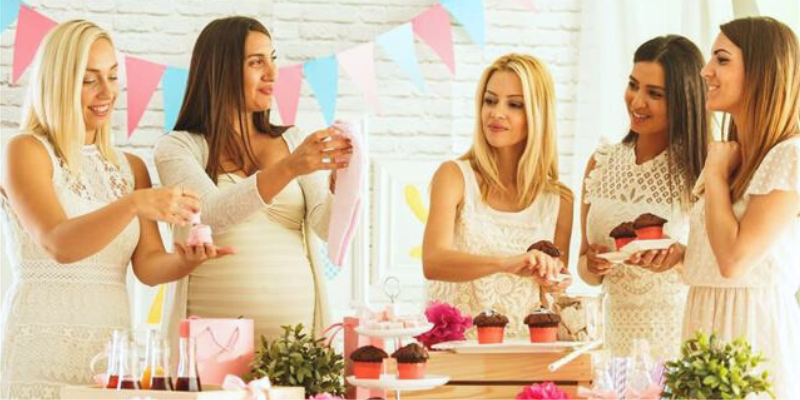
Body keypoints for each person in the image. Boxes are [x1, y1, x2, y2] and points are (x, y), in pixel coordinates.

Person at [0, 20, 230, 399]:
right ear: (58, 82)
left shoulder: (130, 167)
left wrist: (186, 260)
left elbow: (149, 267)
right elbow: (59, 244)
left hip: (110, 356)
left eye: (112, 76)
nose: (107, 92)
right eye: (89, 79)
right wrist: (135, 203)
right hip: (39, 350)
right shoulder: (25, 151)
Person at [154, 16, 352, 341]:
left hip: (296, 348)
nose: (272, 73)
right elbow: (211, 213)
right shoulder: (177, 148)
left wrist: (342, 182)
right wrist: (288, 168)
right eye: (256, 62)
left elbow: (326, 229)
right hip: (210, 346)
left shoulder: (292, 140)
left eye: (272, 59)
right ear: (222, 70)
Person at [682, 17, 800, 398]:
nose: (706, 71)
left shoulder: (790, 156)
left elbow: (734, 261)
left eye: (721, 59)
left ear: (762, 71)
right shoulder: (734, 156)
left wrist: (716, 175)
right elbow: (720, 252)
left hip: (750, 333)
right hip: (704, 324)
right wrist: (682, 256)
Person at [577, 35, 710, 359]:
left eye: (655, 94)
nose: (637, 102)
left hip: (681, 340)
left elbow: (723, 267)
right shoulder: (601, 162)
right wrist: (593, 264)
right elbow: (585, 271)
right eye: (633, 85)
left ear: (684, 100)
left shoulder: (704, 169)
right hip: (616, 343)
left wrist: (680, 257)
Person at [423, 53, 573, 337]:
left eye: (514, 104)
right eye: (490, 100)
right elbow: (433, 261)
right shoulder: (454, 177)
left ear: (537, 115)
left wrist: (554, 283)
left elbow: (549, 301)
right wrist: (506, 263)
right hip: (456, 349)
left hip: (525, 351)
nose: (496, 112)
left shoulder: (559, 201)